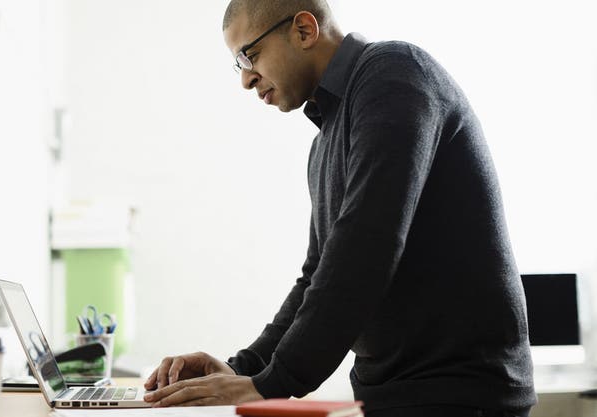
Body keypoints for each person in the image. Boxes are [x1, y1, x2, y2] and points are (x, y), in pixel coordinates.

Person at [142, 1, 536, 415]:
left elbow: (367, 245)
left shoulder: (394, 73)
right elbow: (319, 273)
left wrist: (270, 383)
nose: (245, 79)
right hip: (395, 397)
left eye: (249, 55)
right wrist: (246, 368)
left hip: (460, 396)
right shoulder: (325, 142)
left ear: (304, 30)